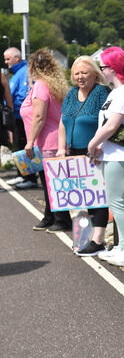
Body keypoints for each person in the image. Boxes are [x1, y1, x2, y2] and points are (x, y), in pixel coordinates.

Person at [87, 47, 124, 267]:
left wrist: (93, 143)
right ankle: (123, 247)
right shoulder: (116, 92)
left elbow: (112, 125)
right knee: (116, 201)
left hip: (122, 154)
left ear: (113, 68)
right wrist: (99, 144)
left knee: (118, 202)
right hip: (114, 153)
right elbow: (108, 125)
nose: (101, 72)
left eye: (103, 67)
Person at [57, 56, 110, 255]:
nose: (80, 77)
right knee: (82, 196)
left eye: (84, 72)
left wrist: (99, 145)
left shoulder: (101, 93)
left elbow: (109, 123)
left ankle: (97, 241)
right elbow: (63, 122)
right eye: (76, 73)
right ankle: (85, 237)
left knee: (98, 196)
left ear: (95, 74)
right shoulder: (71, 94)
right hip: (73, 152)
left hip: (95, 152)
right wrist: (61, 148)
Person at [20, 49, 71, 231]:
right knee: (50, 181)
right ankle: (50, 216)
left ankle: (62, 220)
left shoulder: (41, 86)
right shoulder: (54, 84)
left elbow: (39, 116)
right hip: (53, 139)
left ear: (32, 67)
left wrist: (30, 142)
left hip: (48, 141)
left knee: (53, 182)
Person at [4, 46, 37, 189]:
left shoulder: (24, 72)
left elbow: (24, 96)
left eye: (8, 59)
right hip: (17, 116)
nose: (6, 62)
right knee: (18, 146)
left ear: (17, 58)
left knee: (24, 146)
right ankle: (21, 175)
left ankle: (29, 178)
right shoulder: (17, 73)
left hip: (21, 117)